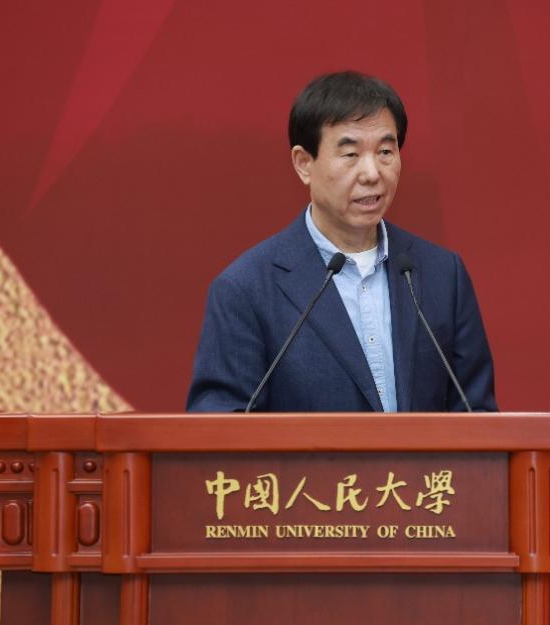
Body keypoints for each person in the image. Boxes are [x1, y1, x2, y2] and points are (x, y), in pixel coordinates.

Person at [186, 71, 496, 413]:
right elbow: (223, 430)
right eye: (350, 155)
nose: (372, 173)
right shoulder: (246, 290)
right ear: (304, 164)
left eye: (385, 151)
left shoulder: (442, 274)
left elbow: (477, 417)